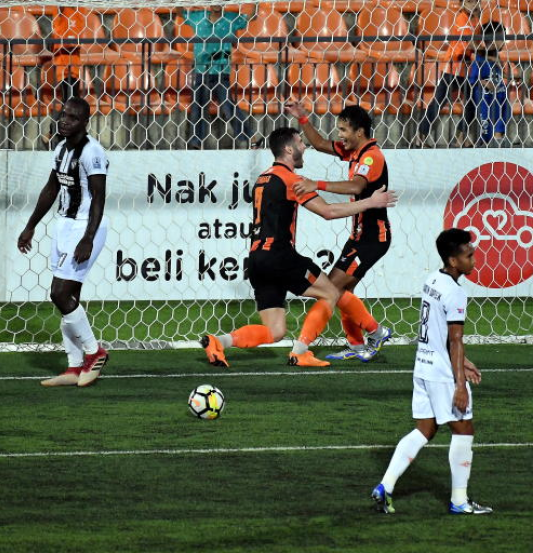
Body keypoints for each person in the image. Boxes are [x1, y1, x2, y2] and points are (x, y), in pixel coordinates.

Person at [201, 127, 398, 368]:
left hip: (256, 260)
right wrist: (371, 202)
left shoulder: (262, 179)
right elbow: (328, 211)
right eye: (300, 142)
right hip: (280, 255)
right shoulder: (291, 179)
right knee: (331, 293)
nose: (304, 147)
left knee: (275, 331)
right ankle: (302, 351)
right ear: (288, 149)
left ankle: (219, 341)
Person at [371, 228, 492, 515]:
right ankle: (459, 501)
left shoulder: (432, 280)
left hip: (423, 366)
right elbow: (456, 340)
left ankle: (385, 486)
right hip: (441, 374)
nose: (474, 260)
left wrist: (463, 360)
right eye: (468, 255)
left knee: (424, 429)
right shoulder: (455, 292)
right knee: (464, 430)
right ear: (453, 260)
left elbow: (438, 331)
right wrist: (460, 385)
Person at [285, 102, 394, 362]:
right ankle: (358, 345)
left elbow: (356, 186)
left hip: (372, 239)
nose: (340, 135)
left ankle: (375, 332)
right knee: (345, 293)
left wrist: (316, 184)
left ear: (360, 132)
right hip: (359, 237)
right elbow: (320, 143)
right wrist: (303, 119)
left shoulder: (371, 157)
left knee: (331, 288)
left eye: (344, 130)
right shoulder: (354, 152)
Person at [18, 96, 109, 387]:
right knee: (70, 299)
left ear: (85, 122)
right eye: (63, 115)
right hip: (64, 226)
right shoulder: (60, 149)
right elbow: (51, 188)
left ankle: (94, 352)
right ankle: (73, 367)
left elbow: (99, 198)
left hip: (85, 227)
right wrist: (30, 226)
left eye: (72, 118)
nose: (64, 121)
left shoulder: (92, 152)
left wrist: (88, 238)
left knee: (58, 293)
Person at [183, 5, 253, 150]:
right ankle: (196, 142)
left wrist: (254, 4)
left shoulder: (231, 18)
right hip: (202, 70)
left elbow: (249, 17)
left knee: (228, 105)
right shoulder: (198, 16)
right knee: (198, 107)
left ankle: (248, 138)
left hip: (221, 71)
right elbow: (181, 13)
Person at [414, 0, 481, 148]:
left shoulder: (475, 20)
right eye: (470, 2)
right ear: (463, 4)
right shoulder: (461, 19)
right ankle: (420, 137)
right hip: (453, 68)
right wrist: (483, 46)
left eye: (477, 1)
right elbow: (469, 43)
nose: (475, 5)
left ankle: (460, 139)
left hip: (466, 70)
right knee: (438, 102)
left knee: (472, 105)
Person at [469, 21, 510, 147]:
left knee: (504, 114)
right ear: (490, 40)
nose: (503, 42)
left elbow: (502, 75)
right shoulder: (480, 59)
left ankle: (498, 139)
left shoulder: (498, 57)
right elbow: (473, 79)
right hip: (485, 96)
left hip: (500, 94)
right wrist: (486, 84)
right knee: (486, 121)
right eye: (501, 39)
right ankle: (485, 143)